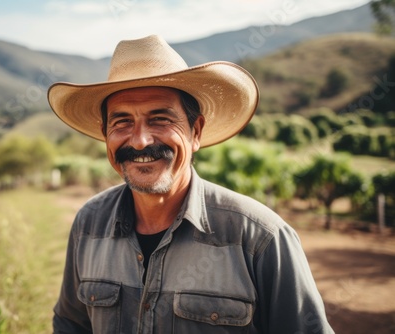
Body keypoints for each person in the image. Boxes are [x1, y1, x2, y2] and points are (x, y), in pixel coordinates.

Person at [48, 35, 334, 334]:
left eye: (159, 119)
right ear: (106, 133)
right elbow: (71, 323)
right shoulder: (89, 223)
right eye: (121, 122)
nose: (140, 140)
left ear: (195, 132)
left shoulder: (260, 238)